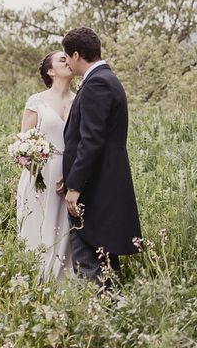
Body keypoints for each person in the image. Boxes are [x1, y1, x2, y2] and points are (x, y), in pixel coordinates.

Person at [58, 27, 142, 288]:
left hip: (96, 187)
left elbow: (91, 140)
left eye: (67, 57)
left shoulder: (98, 83)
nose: (68, 63)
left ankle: (100, 319)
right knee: (104, 259)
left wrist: (75, 187)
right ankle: (115, 316)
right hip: (102, 182)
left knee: (88, 259)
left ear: (76, 54)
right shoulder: (105, 79)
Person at [16, 51, 76, 281]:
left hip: (68, 173)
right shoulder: (37, 102)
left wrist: (72, 177)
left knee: (64, 230)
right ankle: (35, 279)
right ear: (51, 71)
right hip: (40, 173)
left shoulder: (79, 99)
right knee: (38, 226)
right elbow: (24, 143)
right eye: (62, 59)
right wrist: (36, 171)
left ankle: (63, 283)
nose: (68, 61)